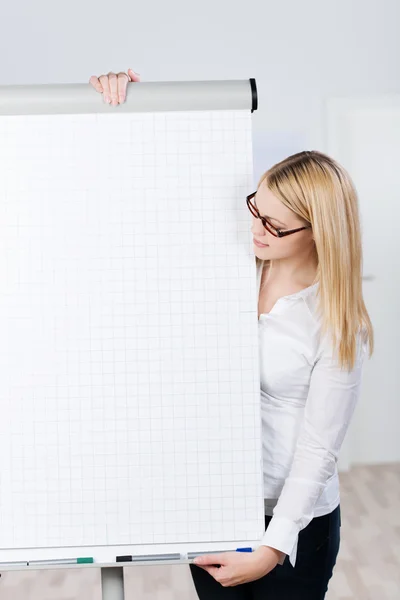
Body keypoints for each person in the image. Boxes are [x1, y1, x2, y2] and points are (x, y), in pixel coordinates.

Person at [90, 70, 373, 599]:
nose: (255, 230)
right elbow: (160, 195)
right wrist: (129, 101)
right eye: (254, 210)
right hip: (216, 504)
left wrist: (272, 547)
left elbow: (318, 450)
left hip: (292, 526)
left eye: (274, 225)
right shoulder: (229, 270)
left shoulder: (334, 320)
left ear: (320, 233)